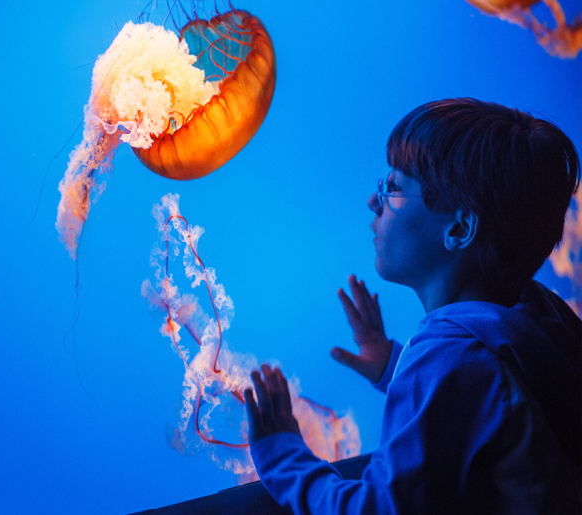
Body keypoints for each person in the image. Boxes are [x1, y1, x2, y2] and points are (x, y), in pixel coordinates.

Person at [244, 98, 582, 514]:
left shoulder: (449, 354)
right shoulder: (537, 309)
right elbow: (490, 395)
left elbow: (376, 511)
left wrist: (281, 455)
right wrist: (394, 365)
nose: (373, 200)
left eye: (393, 187)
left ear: (459, 228)